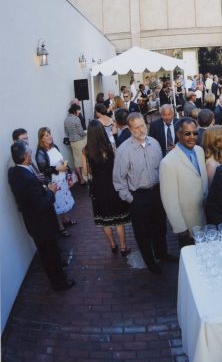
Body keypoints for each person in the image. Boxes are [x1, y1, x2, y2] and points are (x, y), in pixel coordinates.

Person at [8, 141, 75, 291]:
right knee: (50, 255)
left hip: (32, 223)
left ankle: (57, 272)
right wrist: (51, 191)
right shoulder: (28, 179)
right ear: (26, 156)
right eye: (29, 153)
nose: (31, 154)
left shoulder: (13, 172)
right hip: (43, 224)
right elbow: (42, 204)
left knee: (46, 254)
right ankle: (60, 283)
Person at [113, 113, 175, 274]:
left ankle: (162, 253)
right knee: (142, 233)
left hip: (157, 193)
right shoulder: (123, 151)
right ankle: (150, 263)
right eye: (137, 127)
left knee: (160, 227)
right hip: (138, 197)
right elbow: (119, 180)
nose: (141, 129)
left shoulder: (154, 143)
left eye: (143, 125)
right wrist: (130, 199)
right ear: (129, 129)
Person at [83, 120, 131, 255]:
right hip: (113, 187)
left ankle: (112, 245)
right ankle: (123, 247)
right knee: (118, 221)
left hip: (98, 189)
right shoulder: (110, 147)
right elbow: (118, 167)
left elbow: (86, 173)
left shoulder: (86, 150)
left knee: (105, 221)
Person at [159, 118, 208, 248]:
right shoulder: (168, 163)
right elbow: (169, 201)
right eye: (187, 133)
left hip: (204, 218)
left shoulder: (199, 150)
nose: (192, 137)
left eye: (195, 133)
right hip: (188, 224)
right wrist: (180, 228)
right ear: (178, 134)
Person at [35, 127, 76, 237]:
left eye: (50, 134)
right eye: (46, 135)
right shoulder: (40, 153)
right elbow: (44, 170)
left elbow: (63, 161)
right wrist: (57, 168)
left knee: (63, 200)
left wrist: (68, 173)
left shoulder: (55, 147)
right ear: (41, 139)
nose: (50, 136)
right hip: (53, 182)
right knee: (56, 204)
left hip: (62, 179)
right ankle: (60, 227)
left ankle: (66, 220)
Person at [64, 103, 86, 185]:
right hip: (79, 142)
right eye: (78, 111)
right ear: (75, 111)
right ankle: (85, 178)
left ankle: (81, 179)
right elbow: (80, 132)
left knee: (76, 161)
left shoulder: (66, 120)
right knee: (83, 160)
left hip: (72, 143)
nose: (79, 112)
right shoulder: (76, 119)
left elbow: (66, 133)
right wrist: (85, 133)